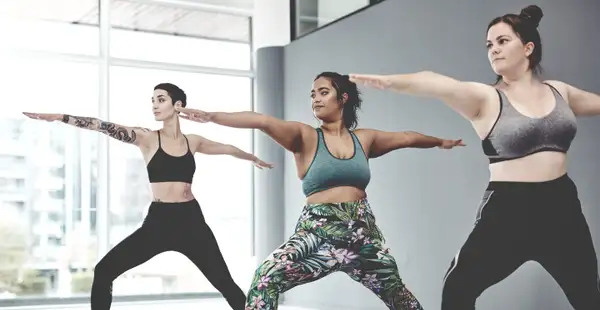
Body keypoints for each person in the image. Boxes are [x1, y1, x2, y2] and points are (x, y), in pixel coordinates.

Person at [349, 4, 600, 310]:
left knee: (589, 297)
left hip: (562, 207)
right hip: (509, 211)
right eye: (489, 45)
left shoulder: (560, 92)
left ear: (528, 47)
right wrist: (392, 82)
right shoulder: (486, 98)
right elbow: (437, 82)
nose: (493, 49)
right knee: (458, 289)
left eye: (502, 41)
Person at [175, 71, 464, 309]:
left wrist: (440, 141)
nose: (315, 98)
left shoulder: (364, 139)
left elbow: (406, 138)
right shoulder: (304, 137)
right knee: (266, 278)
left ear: (343, 98)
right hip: (316, 234)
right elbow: (261, 120)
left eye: (323, 92)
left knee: (399, 296)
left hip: (362, 235)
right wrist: (212, 116)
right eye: (313, 94)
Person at [22, 83, 273, 310]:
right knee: (104, 271)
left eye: (161, 99)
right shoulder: (147, 138)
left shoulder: (192, 141)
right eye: (152, 100)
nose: (154, 105)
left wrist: (251, 158)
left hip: (191, 221)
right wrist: (61, 117)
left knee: (224, 282)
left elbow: (226, 148)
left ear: (178, 106)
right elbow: (102, 125)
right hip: (159, 223)